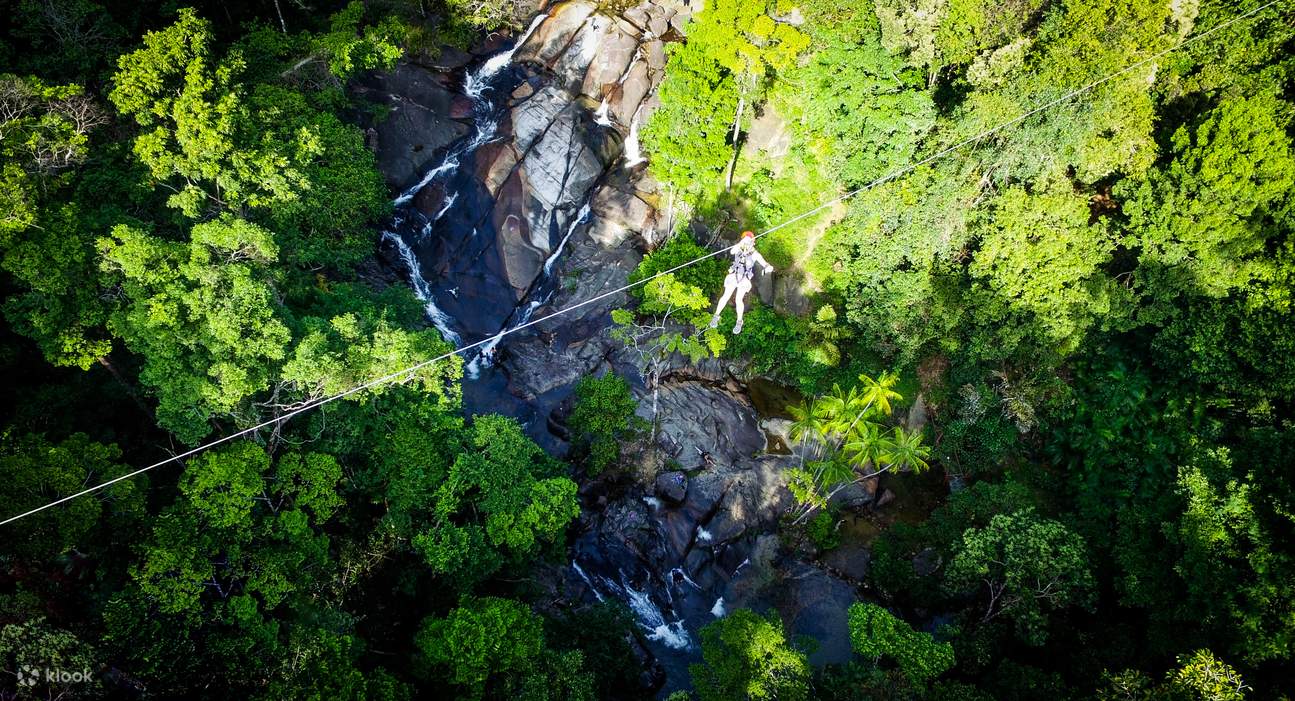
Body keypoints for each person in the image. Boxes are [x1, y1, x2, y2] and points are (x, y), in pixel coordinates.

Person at [709, 231, 772, 335]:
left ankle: (739, 321)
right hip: (734, 275)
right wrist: (741, 243)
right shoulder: (738, 249)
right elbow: (732, 252)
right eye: (744, 241)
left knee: (739, 299)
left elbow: (764, 263)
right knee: (725, 296)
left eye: (749, 242)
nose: (747, 244)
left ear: (753, 243)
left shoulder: (755, 254)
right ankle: (716, 316)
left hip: (744, 278)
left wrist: (768, 267)